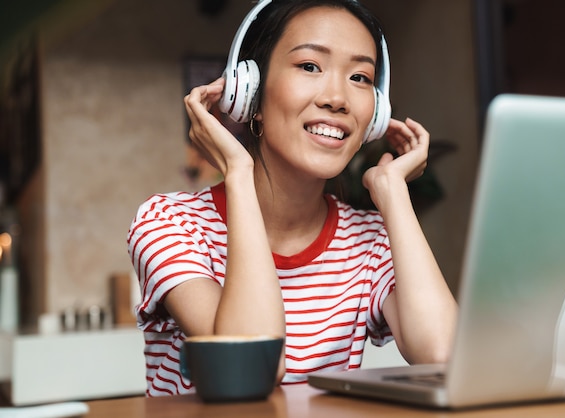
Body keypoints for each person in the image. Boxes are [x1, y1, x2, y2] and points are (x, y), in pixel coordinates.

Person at [127, 0, 457, 397]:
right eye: (309, 66)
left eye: (359, 77)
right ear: (249, 94)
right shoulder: (171, 222)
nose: (337, 98)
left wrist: (392, 191)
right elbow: (252, 367)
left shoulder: (369, 240)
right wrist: (238, 171)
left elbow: (443, 356)